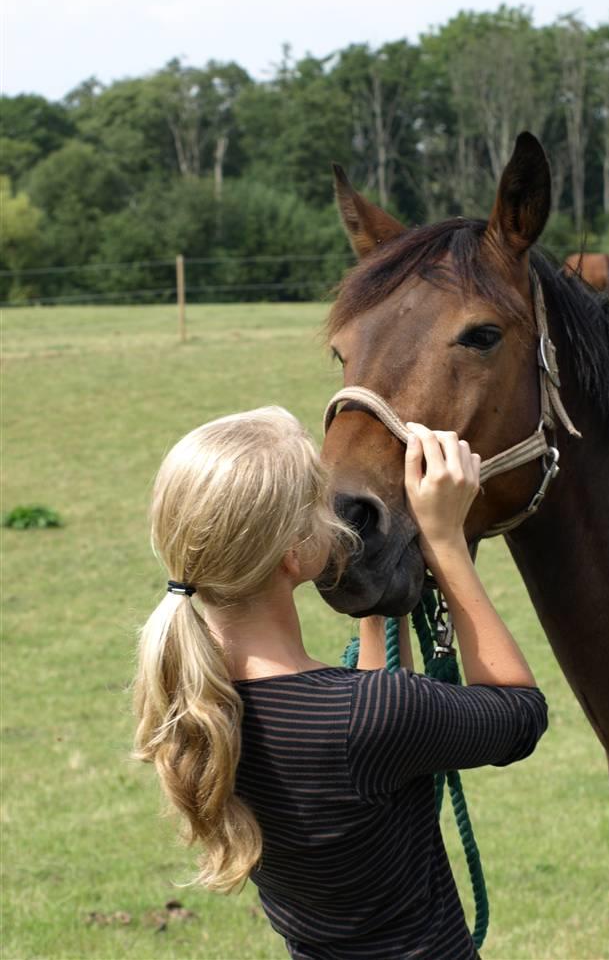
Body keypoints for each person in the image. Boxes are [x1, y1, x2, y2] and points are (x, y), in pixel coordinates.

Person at [134, 406, 548, 959]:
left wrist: (380, 604)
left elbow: (363, 751)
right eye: (322, 501)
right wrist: (445, 542)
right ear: (292, 554)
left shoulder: (194, 705)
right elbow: (520, 713)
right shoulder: (370, 715)